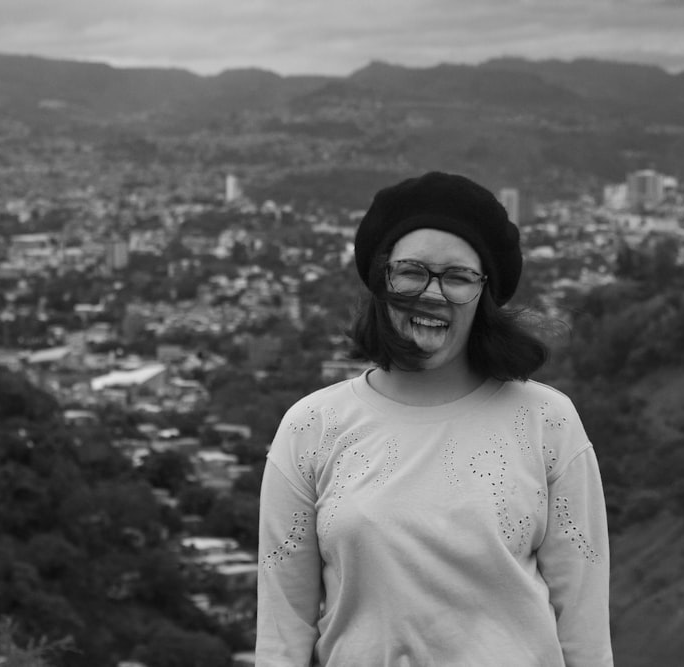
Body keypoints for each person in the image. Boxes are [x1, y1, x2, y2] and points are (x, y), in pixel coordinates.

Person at [256, 171, 613, 666]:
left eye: (458, 277)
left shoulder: (547, 421)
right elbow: (282, 633)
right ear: (383, 280)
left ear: (483, 294)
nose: (433, 293)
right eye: (411, 271)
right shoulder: (311, 428)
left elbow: (584, 630)